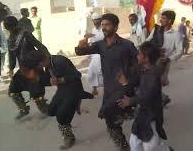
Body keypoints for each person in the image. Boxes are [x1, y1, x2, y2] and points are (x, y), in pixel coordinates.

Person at [75, 13, 138, 149]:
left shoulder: (127, 45)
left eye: (107, 24)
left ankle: (126, 142)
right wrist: (83, 41)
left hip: (123, 87)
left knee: (107, 113)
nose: (104, 27)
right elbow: (80, 51)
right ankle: (123, 143)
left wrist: (129, 80)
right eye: (102, 25)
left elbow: (138, 64)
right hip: (108, 87)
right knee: (111, 119)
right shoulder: (100, 45)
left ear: (115, 27)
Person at [21, 50, 93, 150]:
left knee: (61, 116)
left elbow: (77, 75)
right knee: (50, 111)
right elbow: (47, 80)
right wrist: (36, 78)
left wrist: (60, 80)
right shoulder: (48, 65)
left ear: (41, 62)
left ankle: (69, 138)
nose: (38, 68)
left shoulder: (60, 61)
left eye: (37, 66)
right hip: (63, 89)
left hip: (74, 89)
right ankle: (70, 108)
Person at [117, 42, 174, 151]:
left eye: (139, 54)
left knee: (150, 146)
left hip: (151, 114)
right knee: (134, 143)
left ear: (146, 58)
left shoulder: (153, 74)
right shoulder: (142, 69)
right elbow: (133, 83)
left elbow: (147, 95)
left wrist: (131, 101)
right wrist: (125, 83)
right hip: (142, 112)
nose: (137, 56)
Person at [3, 16, 50, 120]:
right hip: (23, 69)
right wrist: (10, 69)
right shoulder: (10, 40)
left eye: (12, 27)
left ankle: (46, 108)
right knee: (13, 90)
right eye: (8, 28)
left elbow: (40, 46)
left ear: (16, 25)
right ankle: (23, 109)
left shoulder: (26, 35)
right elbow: (11, 57)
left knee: (36, 94)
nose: (11, 29)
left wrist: (47, 60)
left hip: (34, 67)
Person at [146, 10, 183, 107]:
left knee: (158, 83)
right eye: (161, 17)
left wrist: (169, 58)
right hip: (152, 60)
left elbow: (179, 51)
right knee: (151, 82)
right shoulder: (156, 30)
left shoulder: (176, 34)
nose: (160, 20)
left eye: (163, 18)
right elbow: (148, 41)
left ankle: (160, 100)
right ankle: (161, 99)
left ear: (170, 21)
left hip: (164, 62)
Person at [84, 13, 104, 96]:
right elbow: (92, 42)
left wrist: (93, 35)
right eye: (94, 20)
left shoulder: (104, 28)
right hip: (95, 54)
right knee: (91, 73)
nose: (96, 21)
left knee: (102, 72)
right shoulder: (93, 29)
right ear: (92, 21)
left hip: (102, 53)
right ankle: (94, 89)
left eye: (98, 19)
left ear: (101, 20)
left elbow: (103, 39)